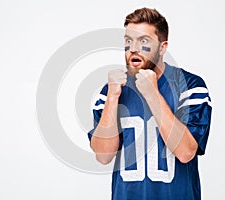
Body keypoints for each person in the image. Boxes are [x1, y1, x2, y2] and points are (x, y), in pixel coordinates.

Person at [88, 7, 212, 200]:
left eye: (143, 41)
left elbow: (186, 152)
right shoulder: (111, 91)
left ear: (162, 47)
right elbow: (103, 156)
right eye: (128, 41)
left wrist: (152, 94)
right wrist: (113, 96)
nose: (134, 48)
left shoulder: (190, 86)